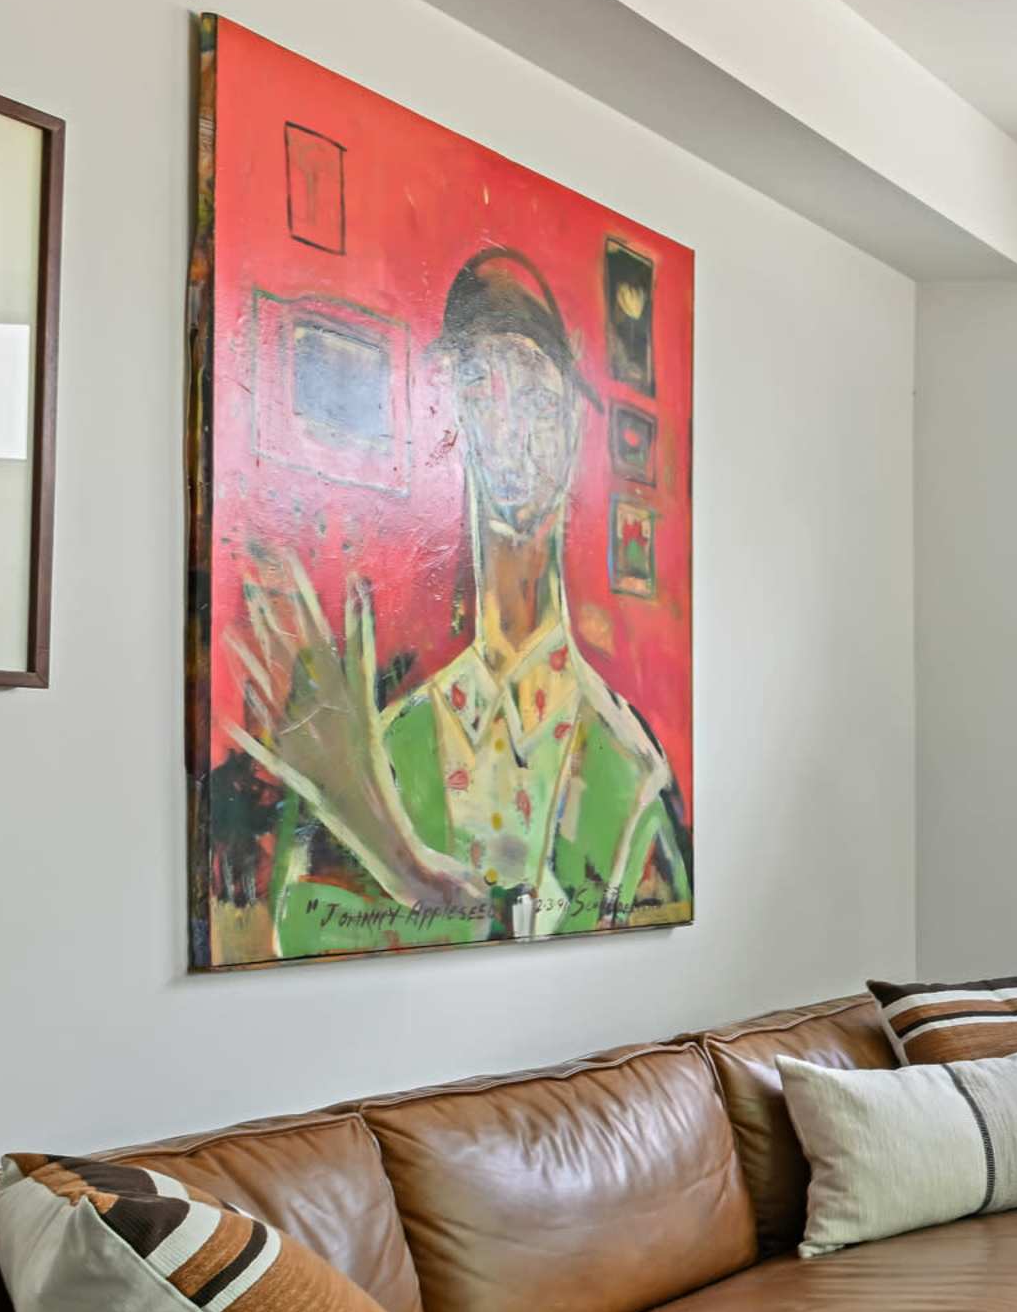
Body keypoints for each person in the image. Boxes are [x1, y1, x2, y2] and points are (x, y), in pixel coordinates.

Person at [230, 248, 689, 953]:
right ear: (456, 419)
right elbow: (301, 928)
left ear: (572, 427)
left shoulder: (628, 770)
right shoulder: (392, 738)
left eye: (535, 396)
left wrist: (409, 871)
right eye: (481, 390)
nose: (510, 431)